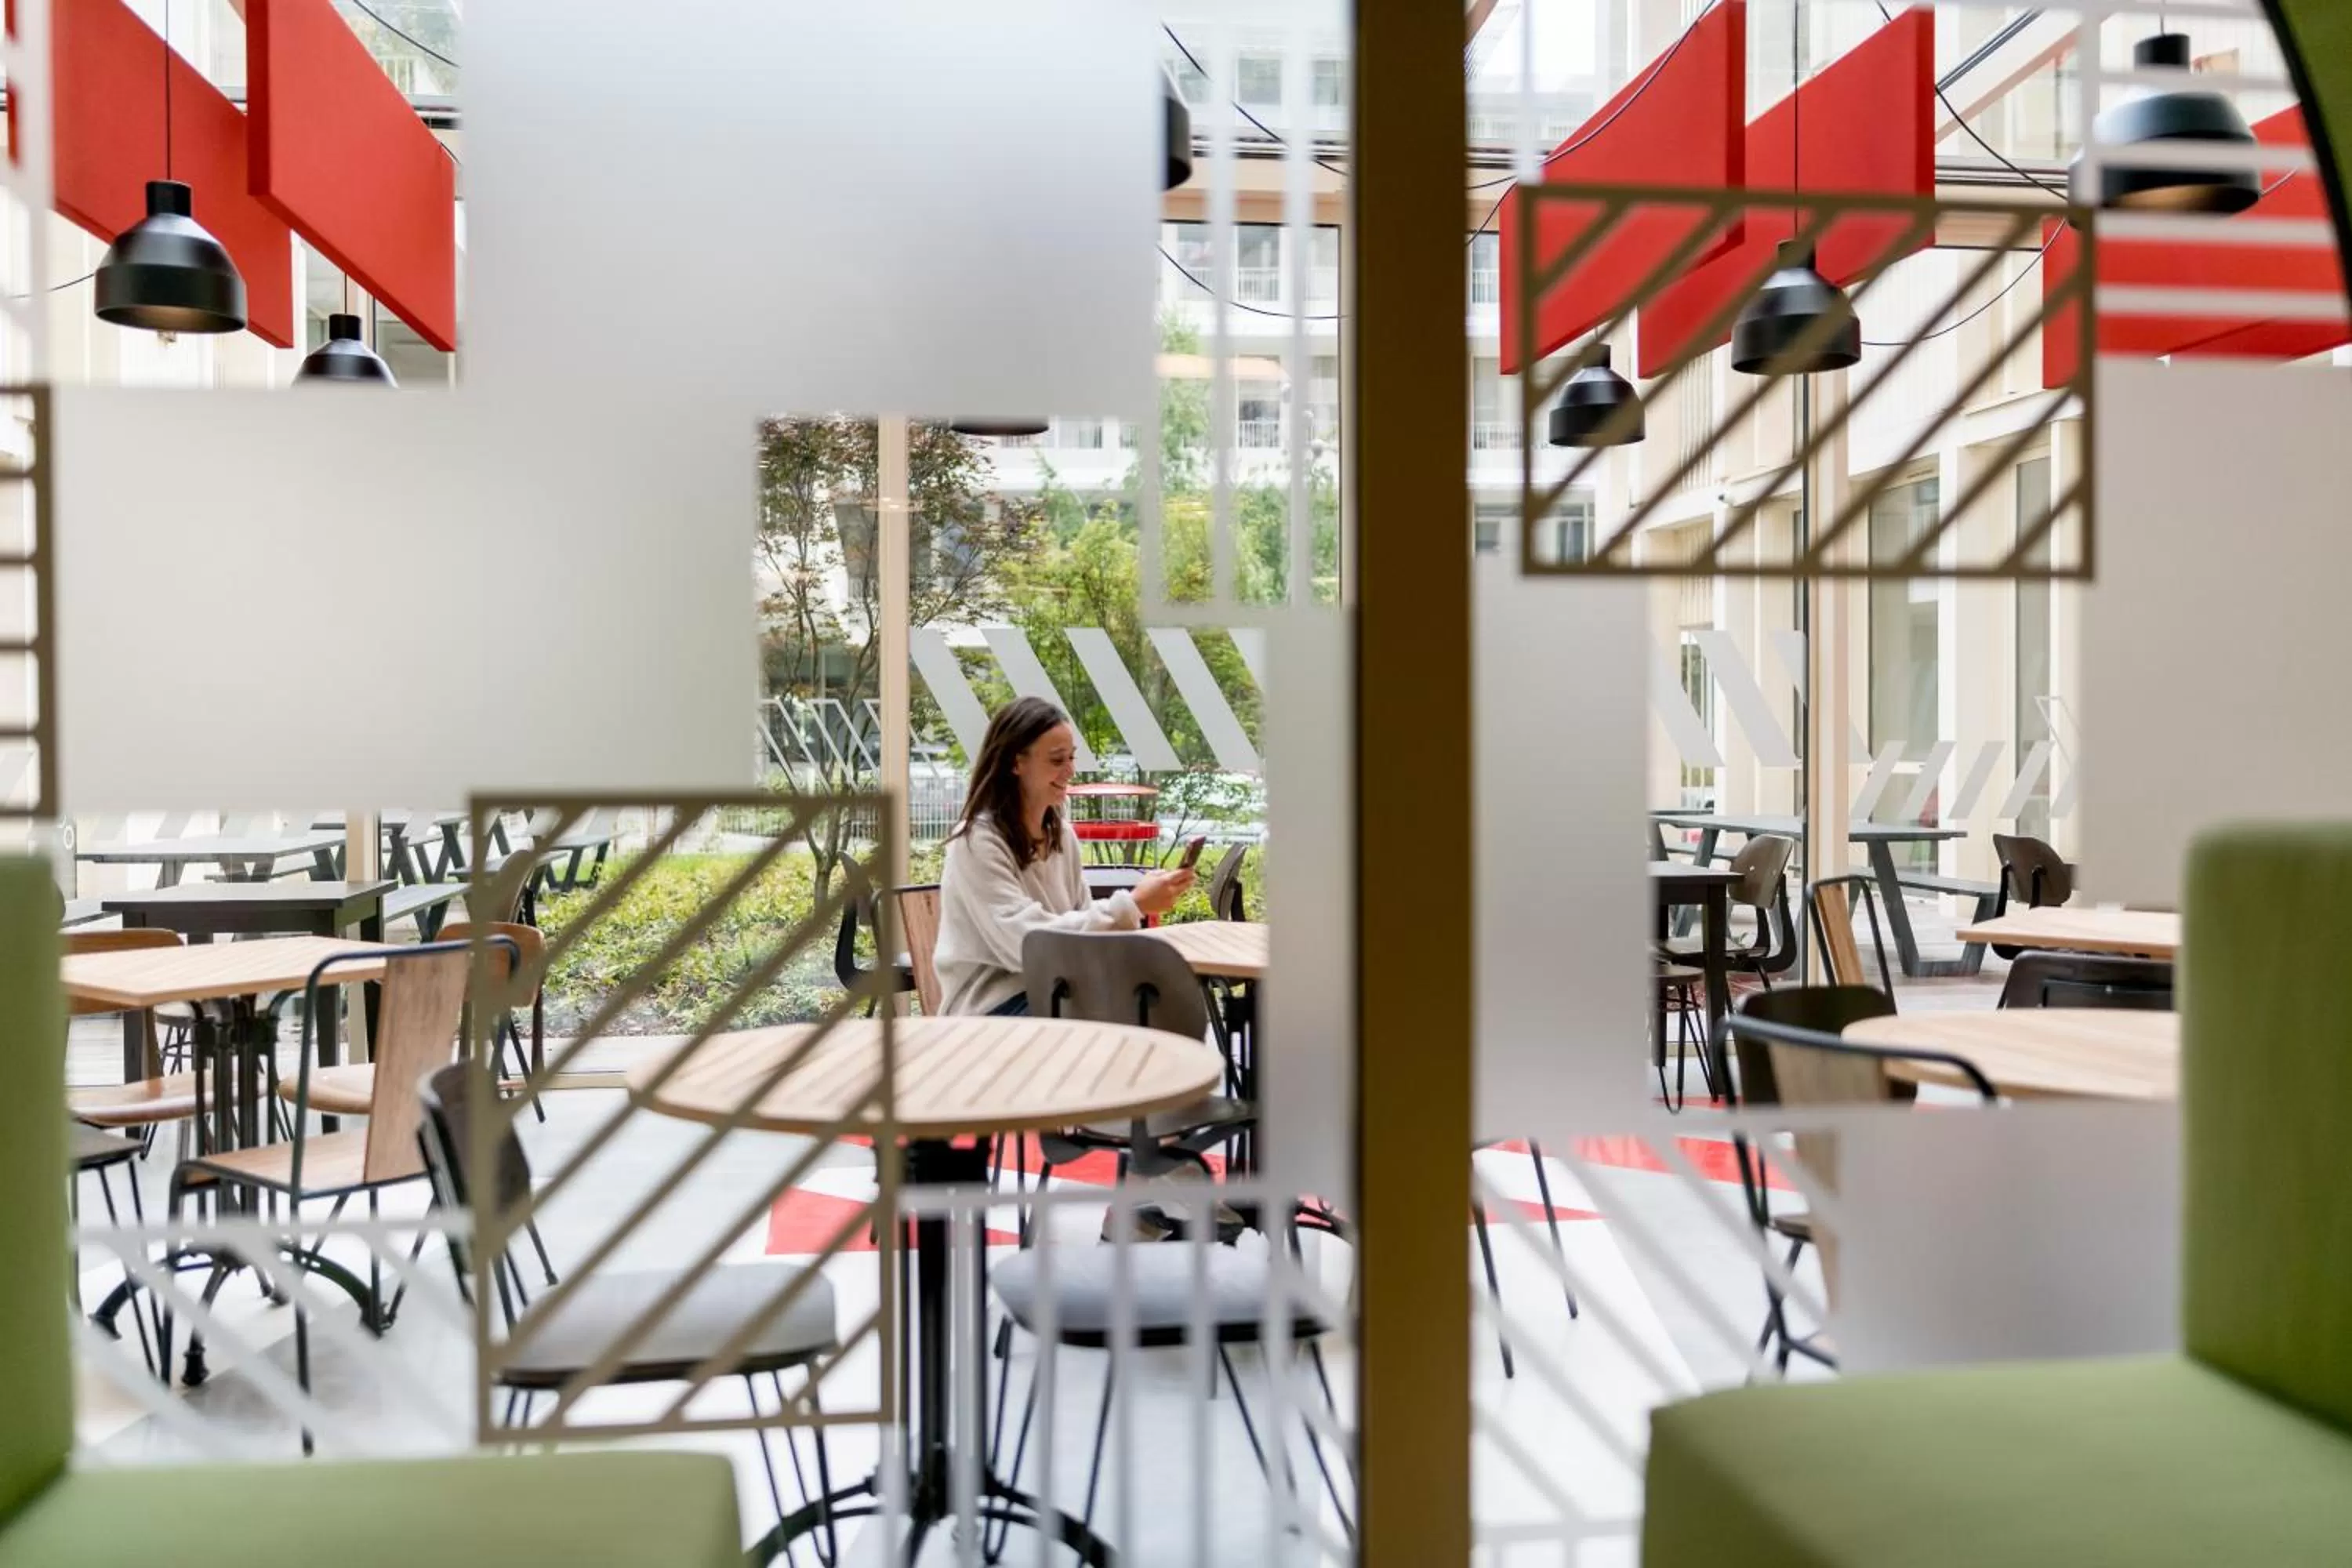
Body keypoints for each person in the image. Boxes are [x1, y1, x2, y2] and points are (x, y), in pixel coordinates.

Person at [935, 696, 1194, 1015]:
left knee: (1166, 1004)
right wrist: (1133, 904)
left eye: (1071, 758)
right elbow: (1026, 947)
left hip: (1057, 991)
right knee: (1126, 1020)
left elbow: (1087, 940)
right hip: (994, 1008)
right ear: (1016, 763)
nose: (1071, 771)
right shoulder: (976, 842)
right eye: (1057, 760)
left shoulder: (1062, 836)